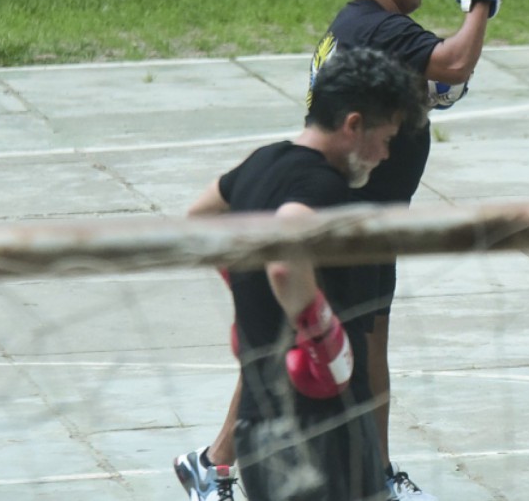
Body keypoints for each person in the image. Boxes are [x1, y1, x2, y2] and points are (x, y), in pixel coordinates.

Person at [175, 0, 513, 501]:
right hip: (349, 227)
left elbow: (200, 215)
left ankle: (374, 473)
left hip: (372, 220)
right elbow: (454, 62)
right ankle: (215, 461)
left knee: (363, 344)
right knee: (305, 351)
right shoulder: (376, 29)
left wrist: (243, 279)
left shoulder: (356, 32)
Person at [176, 46, 426, 501]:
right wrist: (322, 339)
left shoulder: (263, 161)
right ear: (353, 125)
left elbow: (199, 217)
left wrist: (245, 288)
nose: (386, 155)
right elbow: (287, 254)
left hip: (259, 426)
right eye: (386, 138)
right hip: (320, 425)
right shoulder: (322, 186)